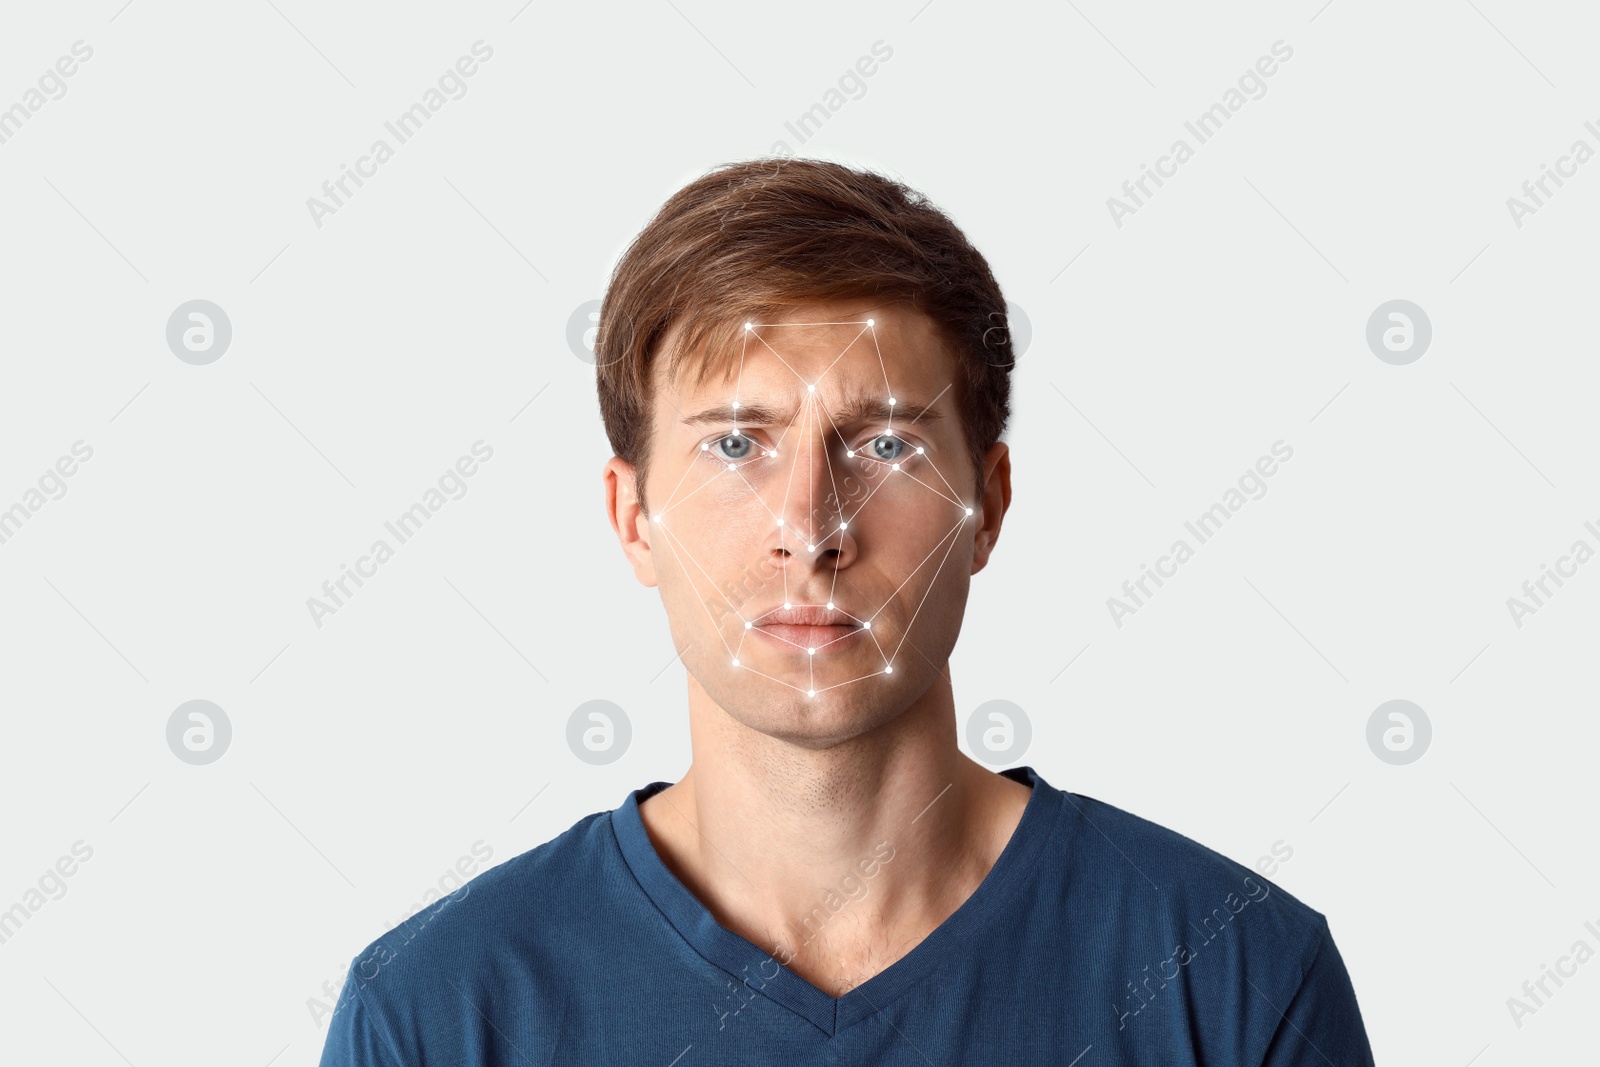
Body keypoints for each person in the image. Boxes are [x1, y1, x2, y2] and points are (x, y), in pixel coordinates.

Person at [318, 158, 1376, 1064]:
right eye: (735, 443)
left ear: (987, 507)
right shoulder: (437, 1013)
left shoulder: (1234, 978)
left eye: (883, 444)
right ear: (632, 518)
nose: (810, 525)